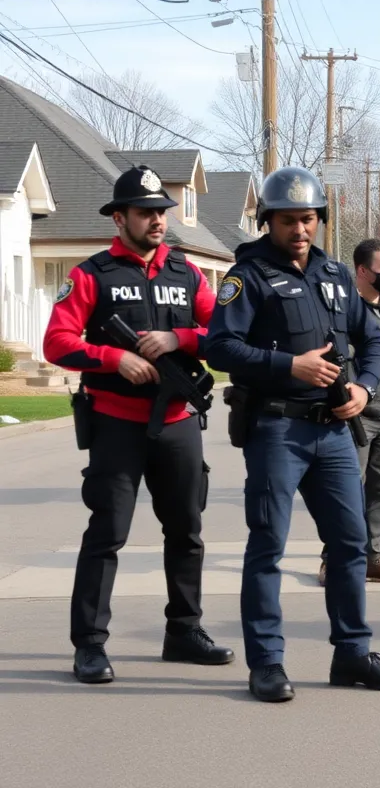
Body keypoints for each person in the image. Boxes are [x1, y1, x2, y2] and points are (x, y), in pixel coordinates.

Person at [207, 166, 380, 703]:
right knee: (268, 546)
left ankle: (352, 655)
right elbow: (220, 348)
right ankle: (267, 664)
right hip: (276, 427)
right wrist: (287, 365)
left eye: (310, 219)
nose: (301, 229)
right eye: (290, 220)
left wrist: (365, 389)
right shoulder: (245, 277)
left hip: (334, 433)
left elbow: (372, 342)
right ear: (268, 220)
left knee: (350, 544)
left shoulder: (338, 275)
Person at [43, 165, 234, 685]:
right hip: (116, 423)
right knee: (107, 534)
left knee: (187, 532)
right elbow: (57, 342)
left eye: (162, 213)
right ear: (120, 216)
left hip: (177, 422)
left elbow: (221, 331)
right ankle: (89, 645)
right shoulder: (91, 274)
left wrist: (181, 341)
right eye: (146, 212)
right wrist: (112, 357)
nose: (157, 221)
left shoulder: (188, 273)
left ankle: (184, 632)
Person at [317, 238, 380, 588]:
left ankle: (374, 558)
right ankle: (333, 559)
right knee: (345, 492)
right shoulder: (342, 310)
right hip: (354, 417)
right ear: (362, 270)